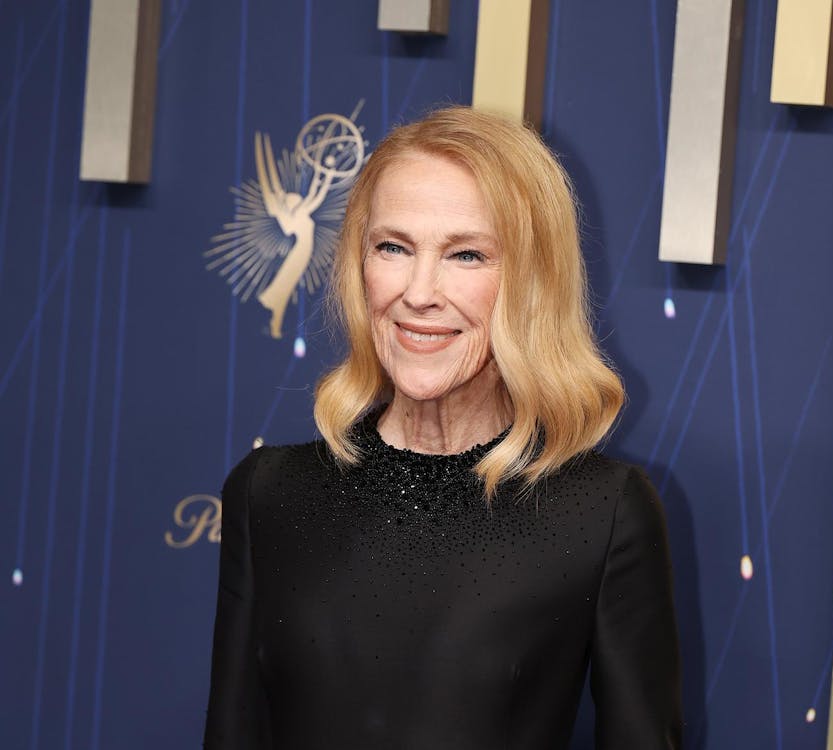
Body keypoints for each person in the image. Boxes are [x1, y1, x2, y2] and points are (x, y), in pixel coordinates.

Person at [203, 105, 683, 749]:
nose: (419, 291)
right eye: (393, 247)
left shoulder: (600, 514)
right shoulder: (269, 493)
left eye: (466, 254)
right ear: (359, 265)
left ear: (530, 282)